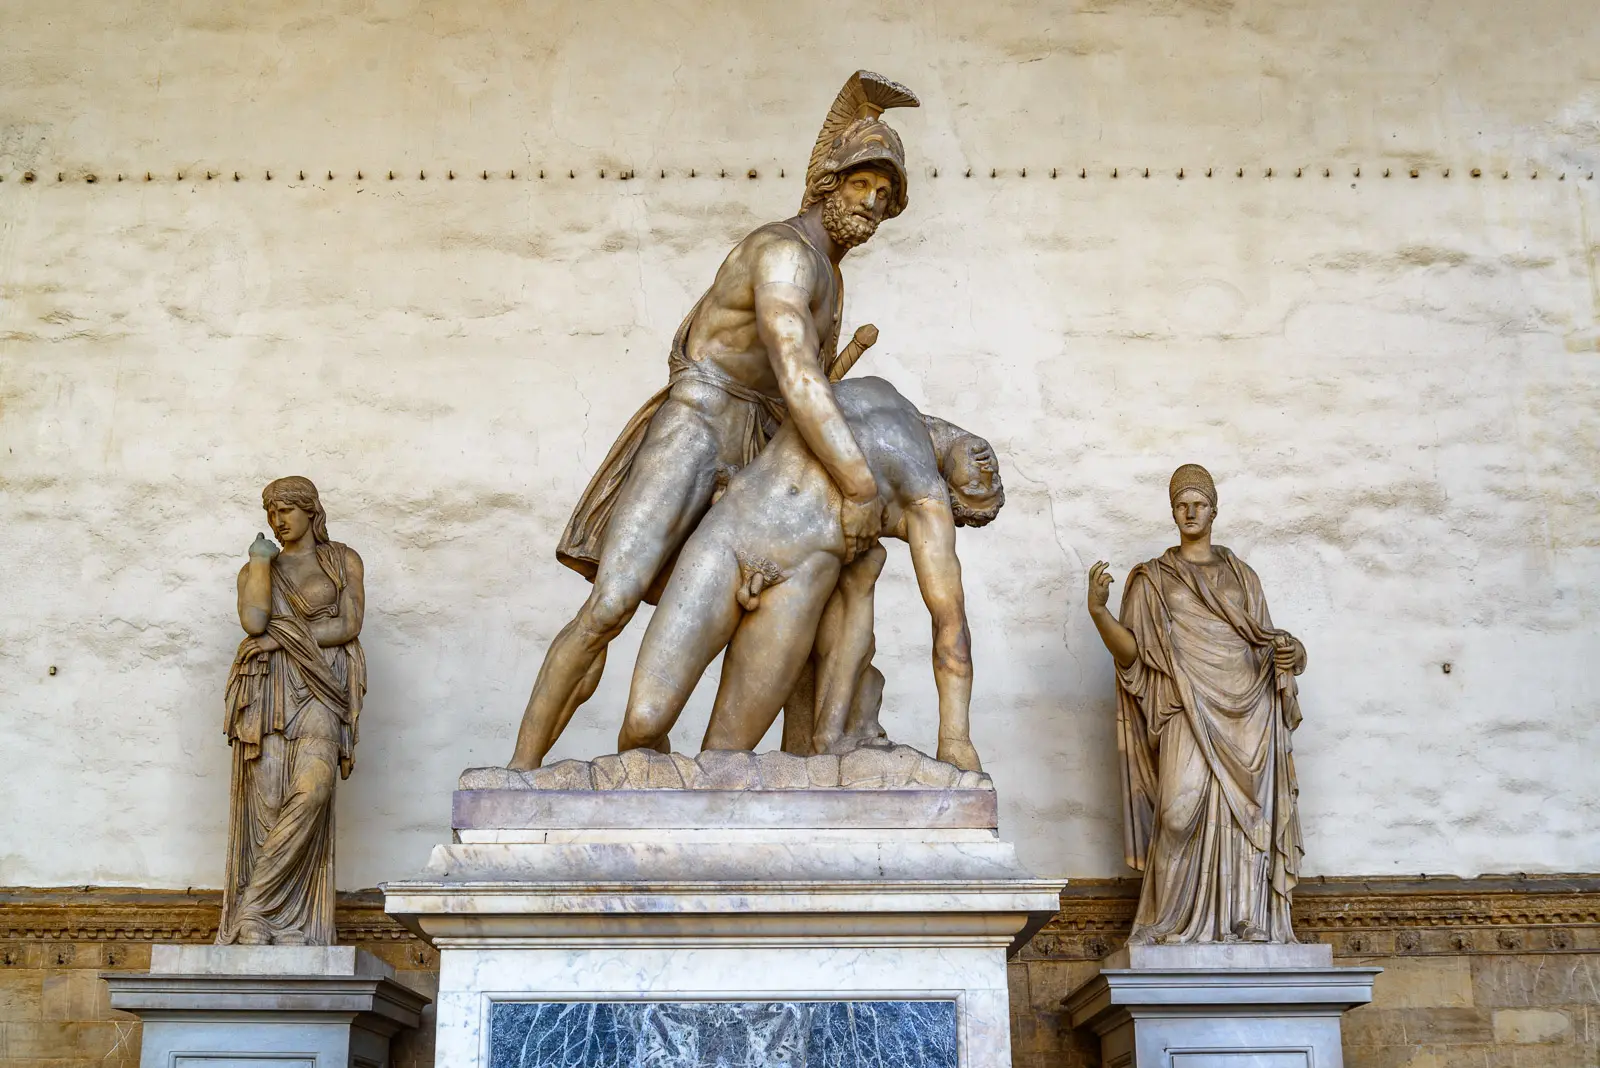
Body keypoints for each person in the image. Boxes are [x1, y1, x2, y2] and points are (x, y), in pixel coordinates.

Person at [508, 72, 922, 770]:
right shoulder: (787, 255)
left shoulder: (833, 276)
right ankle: (518, 772)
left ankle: (796, 767)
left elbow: (802, 390)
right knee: (611, 604)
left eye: (886, 195)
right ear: (829, 181)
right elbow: (795, 372)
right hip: (699, 424)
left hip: (760, 441)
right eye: (862, 185)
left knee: (803, 594)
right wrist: (856, 483)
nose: (874, 205)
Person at [615, 376, 1003, 772]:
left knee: (722, 762)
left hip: (794, 588)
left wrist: (955, 739)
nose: (988, 474)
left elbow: (950, 623)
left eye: (981, 491)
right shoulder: (880, 388)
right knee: (642, 723)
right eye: (995, 482)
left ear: (955, 503)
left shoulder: (925, 500)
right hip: (730, 536)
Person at [1086, 464, 1307, 945]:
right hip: (1185, 706)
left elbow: (1267, 642)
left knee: (1248, 816)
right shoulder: (1153, 579)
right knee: (1176, 814)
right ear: (1172, 511)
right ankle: (1166, 920)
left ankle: (1249, 919)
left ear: (1213, 509)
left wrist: (1291, 653)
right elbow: (1134, 655)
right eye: (1181, 504)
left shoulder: (1241, 576)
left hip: (1248, 709)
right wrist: (1099, 612)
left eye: (1198, 503)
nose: (1190, 512)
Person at [217, 476, 366, 946]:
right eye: (271, 513)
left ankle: (252, 906)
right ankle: (258, 920)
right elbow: (254, 621)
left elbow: (348, 624)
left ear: (310, 511)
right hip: (268, 690)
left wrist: (282, 637)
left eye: (286, 510)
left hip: (321, 684)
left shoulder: (342, 560)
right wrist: (259, 563)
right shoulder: (256, 570)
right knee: (268, 807)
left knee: (312, 791)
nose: (278, 521)